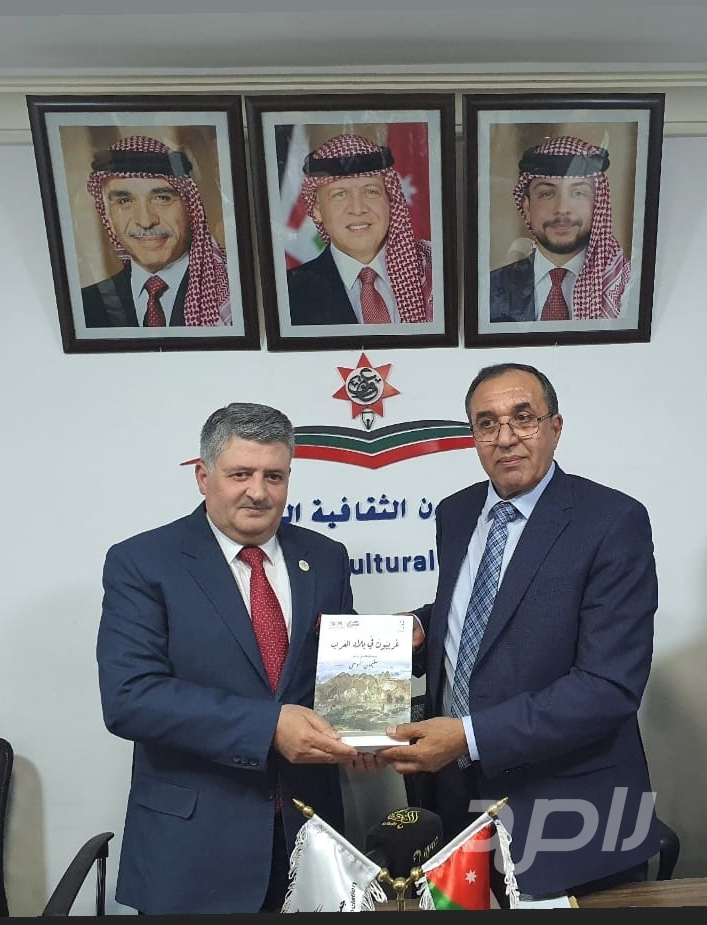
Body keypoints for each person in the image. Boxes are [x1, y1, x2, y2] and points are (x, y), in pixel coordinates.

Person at [378, 362, 660, 902]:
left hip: (567, 811)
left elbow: (609, 687)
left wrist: (468, 736)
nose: (505, 437)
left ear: (555, 427)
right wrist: (419, 626)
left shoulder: (612, 520)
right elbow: (487, 606)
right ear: (473, 436)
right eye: (487, 423)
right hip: (452, 799)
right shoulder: (456, 512)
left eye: (523, 418)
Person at [96, 402, 362, 914]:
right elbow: (130, 698)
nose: (258, 491)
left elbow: (339, 674)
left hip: (311, 840)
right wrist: (269, 726)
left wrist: (364, 730)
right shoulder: (142, 562)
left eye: (273, 476)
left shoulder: (326, 557)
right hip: (193, 851)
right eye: (240, 474)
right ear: (203, 477)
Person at [82, 134, 231, 328]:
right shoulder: (87, 305)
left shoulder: (230, 293)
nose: (145, 221)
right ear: (108, 216)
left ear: (190, 208)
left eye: (162, 198)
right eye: (124, 201)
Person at [287, 132, 432, 325]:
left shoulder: (435, 269)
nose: (358, 208)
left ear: (390, 200)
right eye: (339, 194)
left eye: (371, 191)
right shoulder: (289, 292)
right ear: (318, 210)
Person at [490, 136, 631, 322]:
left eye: (578, 193)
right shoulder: (489, 289)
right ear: (527, 208)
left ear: (597, 206)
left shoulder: (626, 287)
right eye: (547, 194)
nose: (562, 209)